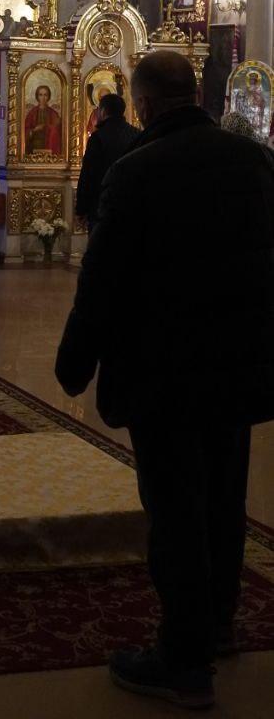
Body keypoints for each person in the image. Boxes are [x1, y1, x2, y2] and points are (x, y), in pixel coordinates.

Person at [55, 50, 274, 710]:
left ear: (144, 103)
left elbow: (102, 278)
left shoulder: (136, 171)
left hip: (163, 373)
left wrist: (75, 360)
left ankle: (182, 660)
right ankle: (217, 623)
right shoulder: (254, 163)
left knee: (175, 511)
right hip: (236, 367)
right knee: (221, 500)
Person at [75, 92, 138, 232]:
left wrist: (81, 209)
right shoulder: (136, 134)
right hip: (130, 206)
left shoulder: (98, 138)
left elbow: (87, 175)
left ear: (102, 111)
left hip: (101, 207)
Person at [24, 83, 63, 155]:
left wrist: (49, 127)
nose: (43, 97)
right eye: (40, 95)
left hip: (49, 144)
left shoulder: (53, 113)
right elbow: (25, 130)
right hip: (34, 145)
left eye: (45, 95)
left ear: (48, 97)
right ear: (37, 96)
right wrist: (34, 130)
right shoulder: (32, 113)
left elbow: (58, 130)